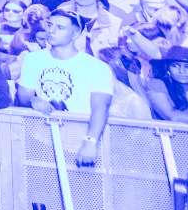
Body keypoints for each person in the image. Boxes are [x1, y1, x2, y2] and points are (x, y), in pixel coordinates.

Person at [16, 9, 114, 166]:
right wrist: (33, 100)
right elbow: (23, 96)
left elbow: (100, 109)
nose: (52, 31)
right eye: (50, 25)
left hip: (78, 143)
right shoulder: (33, 60)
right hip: (42, 141)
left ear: (75, 34)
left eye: (60, 27)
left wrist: (90, 142)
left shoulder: (97, 67)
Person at [144, 46, 188, 123]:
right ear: (167, 67)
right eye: (175, 66)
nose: (181, 71)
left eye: (187, 67)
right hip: (170, 133)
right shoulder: (157, 84)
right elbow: (172, 117)